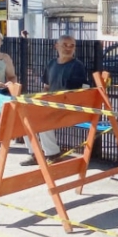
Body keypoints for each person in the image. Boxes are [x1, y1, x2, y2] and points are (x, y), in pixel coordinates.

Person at [20, 35, 86, 166]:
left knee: (42, 120)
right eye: (65, 45)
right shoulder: (51, 63)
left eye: (71, 45)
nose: (68, 48)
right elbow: (46, 88)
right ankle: (35, 154)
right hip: (51, 105)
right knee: (25, 119)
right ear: (56, 46)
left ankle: (53, 154)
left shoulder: (77, 66)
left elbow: (77, 93)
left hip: (69, 108)